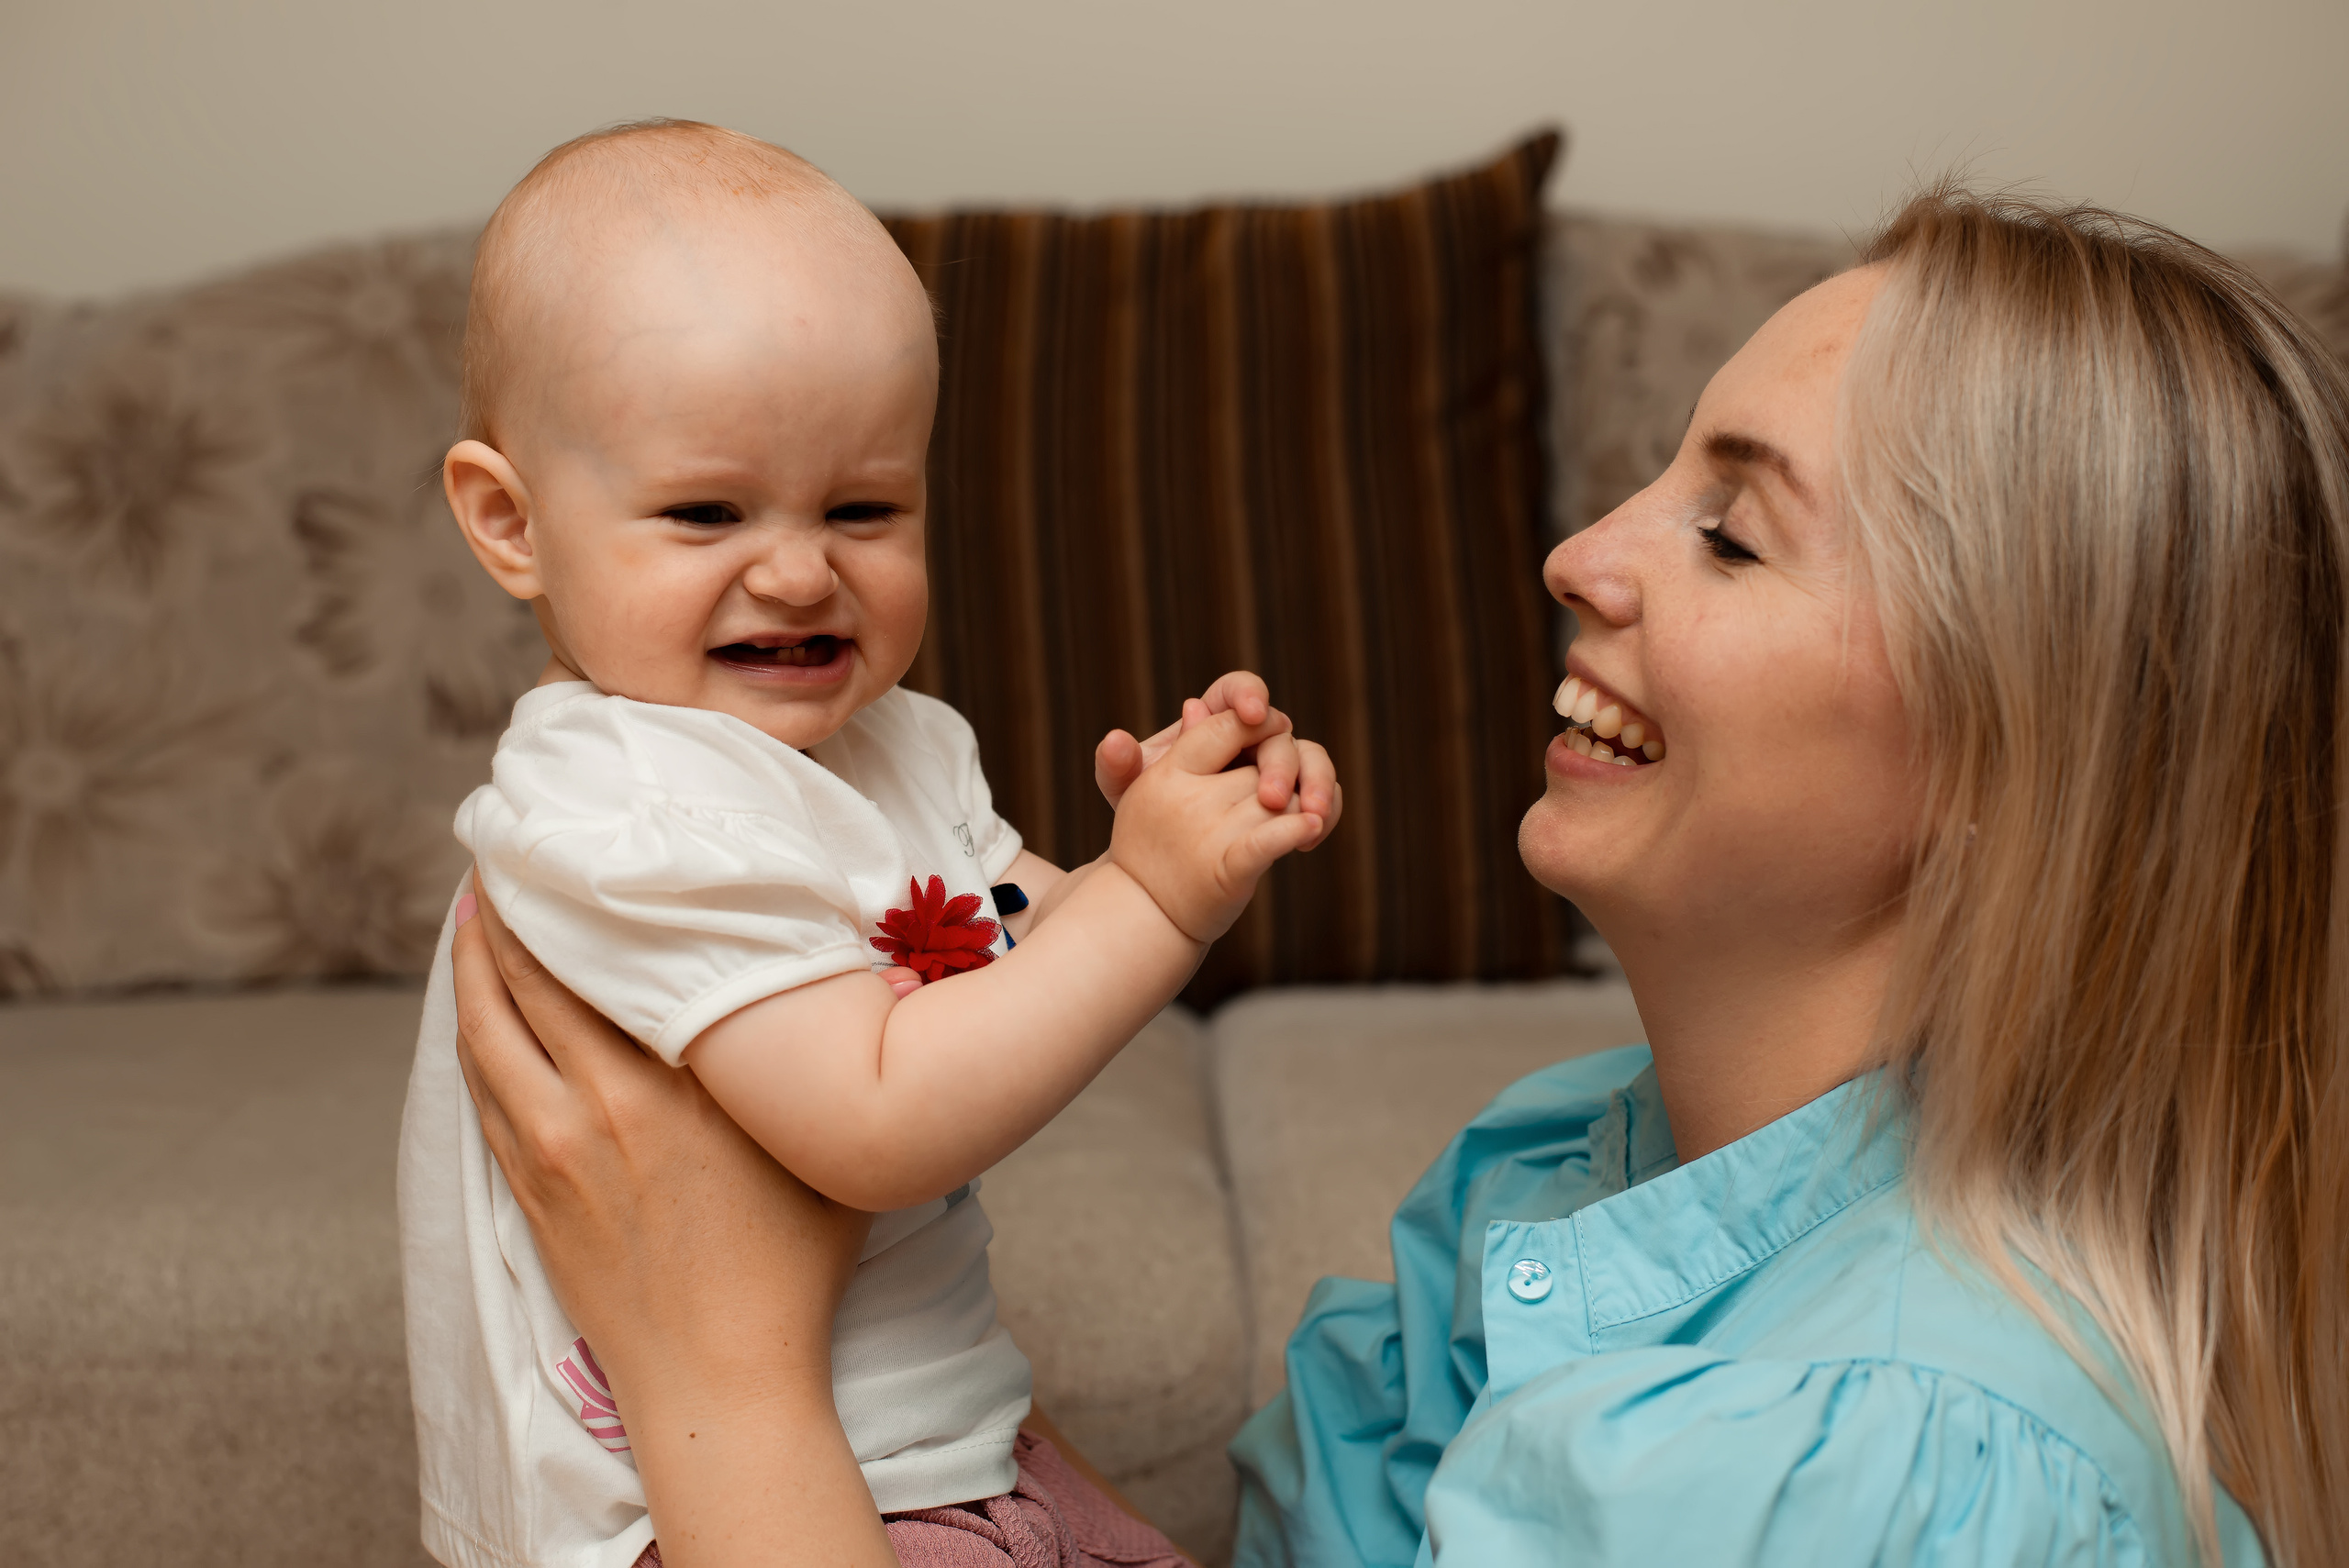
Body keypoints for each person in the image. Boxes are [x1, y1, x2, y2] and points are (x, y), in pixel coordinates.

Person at [444, 187, 2349, 1566]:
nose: (1582, 552)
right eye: (1652, 477)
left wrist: (726, 1403)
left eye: (1729, 537)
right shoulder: (1542, 1186)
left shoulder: (1852, 1472)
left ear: (2015, 769)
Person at [399, 118, 1339, 1568]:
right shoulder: (617, 802)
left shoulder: (888, 737)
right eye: (706, 510)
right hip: (714, 1506)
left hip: (941, 1449)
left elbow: (982, 931)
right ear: (511, 521)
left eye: (863, 506)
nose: (796, 569)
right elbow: (879, 1120)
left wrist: (1155, 839)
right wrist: (1150, 905)